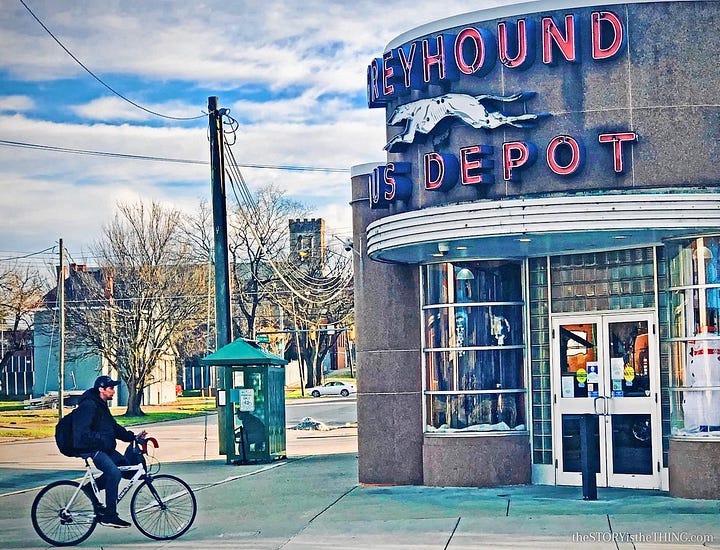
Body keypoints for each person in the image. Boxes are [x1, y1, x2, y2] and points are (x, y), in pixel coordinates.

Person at [72, 375, 145, 528]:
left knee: (124, 466)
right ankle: (110, 515)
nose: (113, 391)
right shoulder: (89, 405)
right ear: (101, 389)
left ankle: (89, 491)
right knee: (114, 473)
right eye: (111, 388)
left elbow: (114, 428)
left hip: (104, 448)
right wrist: (101, 440)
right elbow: (81, 432)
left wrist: (133, 437)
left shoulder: (101, 405)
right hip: (92, 449)